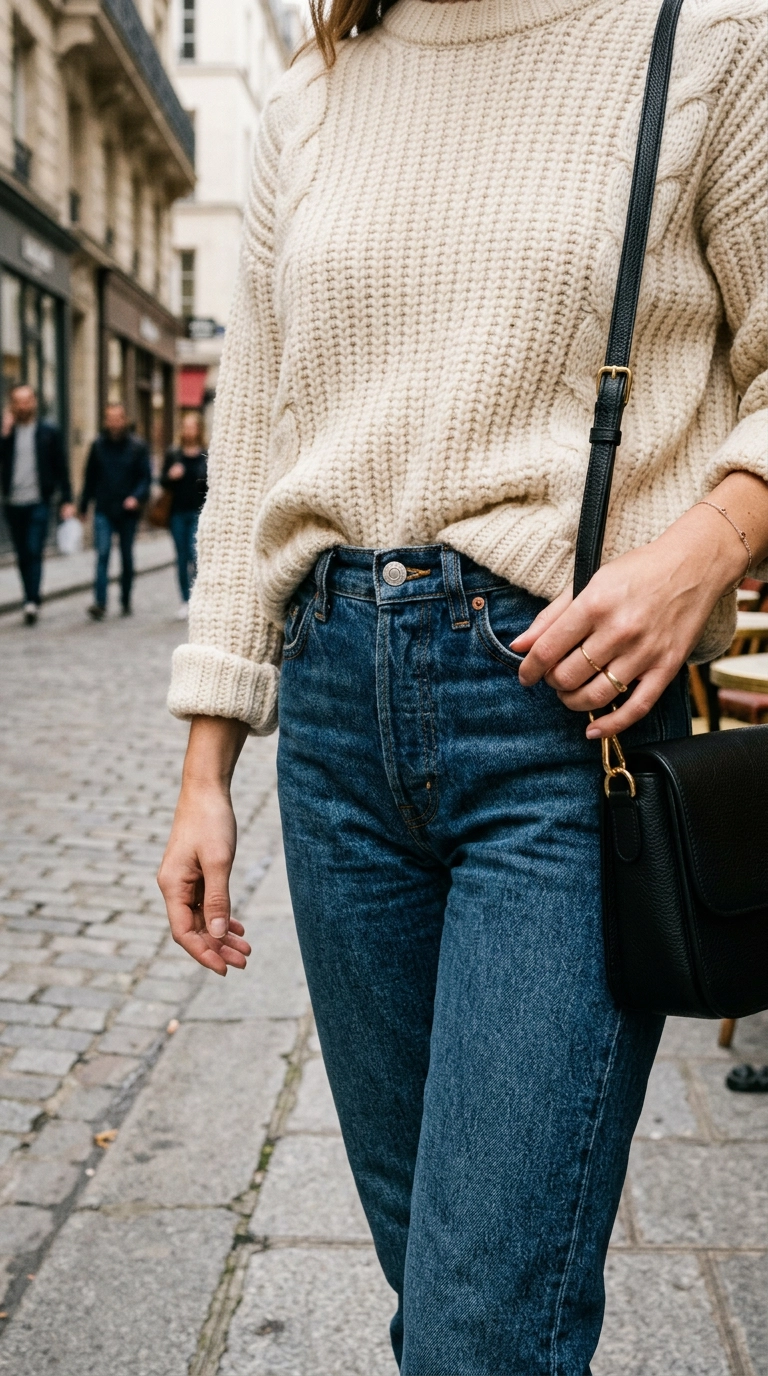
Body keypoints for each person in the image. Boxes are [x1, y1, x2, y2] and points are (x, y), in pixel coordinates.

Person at [158, 2, 768, 1370]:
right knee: (440, 1281)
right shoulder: (318, 90)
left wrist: (702, 552)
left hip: (565, 724)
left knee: (479, 1324)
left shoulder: (705, 37)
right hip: (329, 734)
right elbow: (252, 444)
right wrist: (207, 766)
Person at [0, 384, 75, 625]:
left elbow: (61, 467)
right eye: (18, 402)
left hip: (39, 501)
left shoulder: (48, 431)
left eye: (27, 401)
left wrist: (67, 499)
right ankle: (28, 597)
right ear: (12, 405)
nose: (23, 406)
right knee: (22, 553)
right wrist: (4, 434)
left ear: (34, 403)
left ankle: (32, 601)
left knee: (34, 550)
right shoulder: (6, 433)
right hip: (12, 502)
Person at [79, 403, 151, 620]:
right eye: (110, 418)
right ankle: (100, 602)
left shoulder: (137, 446)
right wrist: (83, 505)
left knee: (127, 557)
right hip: (104, 508)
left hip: (128, 511)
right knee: (102, 555)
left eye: (118, 418)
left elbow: (145, 478)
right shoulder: (98, 446)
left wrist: (136, 497)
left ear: (124, 419)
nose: (114, 422)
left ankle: (125, 598)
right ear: (105, 421)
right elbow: (89, 477)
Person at [161, 413, 207, 619]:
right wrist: (170, 475)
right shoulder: (174, 454)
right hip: (177, 513)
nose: (188, 431)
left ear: (198, 429)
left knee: (194, 555)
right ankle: (184, 600)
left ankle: (197, 598)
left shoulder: (205, 455)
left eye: (192, 427)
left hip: (198, 513)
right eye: (185, 427)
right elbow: (162, 482)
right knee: (181, 557)